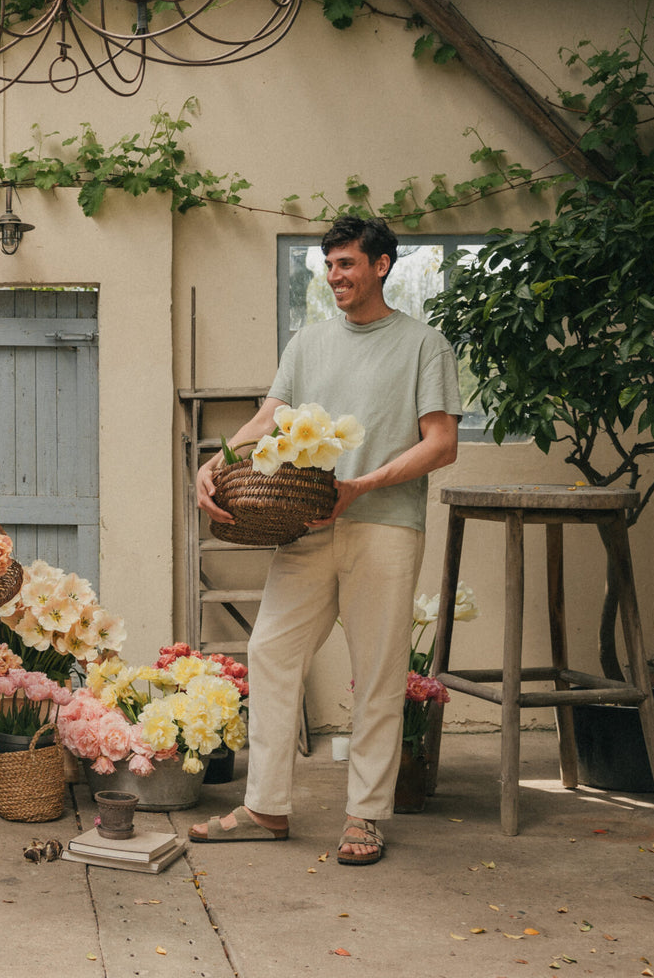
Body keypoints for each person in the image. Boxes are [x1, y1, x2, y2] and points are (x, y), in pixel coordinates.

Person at [190, 216, 460, 866]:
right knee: (271, 650)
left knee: (378, 675)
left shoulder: (424, 345)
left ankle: (365, 816)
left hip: (385, 526)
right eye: (330, 266)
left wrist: (362, 485)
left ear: (382, 265)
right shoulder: (308, 344)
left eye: (347, 264)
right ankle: (266, 808)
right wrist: (216, 459)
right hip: (308, 525)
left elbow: (441, 443)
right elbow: (267, 415)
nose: (335, 276)